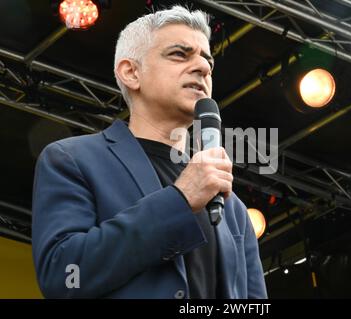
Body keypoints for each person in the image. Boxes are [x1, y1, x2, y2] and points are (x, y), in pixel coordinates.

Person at [32, 5, 267, 299]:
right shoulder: (73, 160)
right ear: (131, 72)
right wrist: (179, 200)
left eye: (207, 61)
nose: (204, 67)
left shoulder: (233, 209)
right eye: (180, 54)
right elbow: (63, 276)